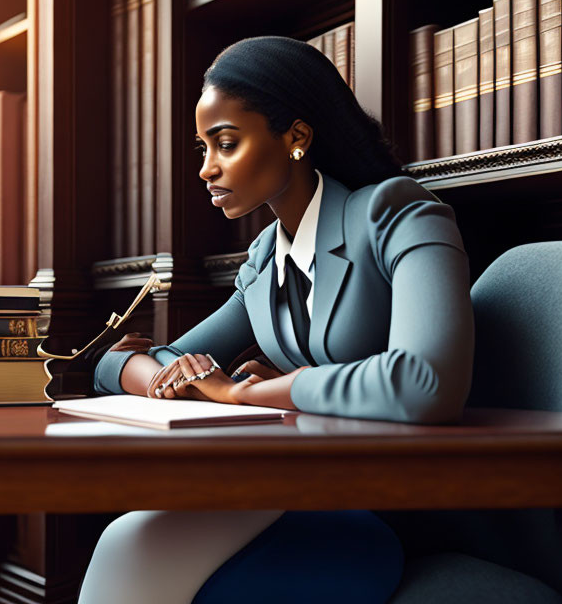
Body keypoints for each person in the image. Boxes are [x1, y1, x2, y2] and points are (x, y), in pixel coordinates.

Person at [79, 37, 474, 603]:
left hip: (387, 505)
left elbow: (425, 382)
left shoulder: (396, 214)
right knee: (129, 540)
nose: (207, 169)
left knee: (140, 552)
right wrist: (175, 376)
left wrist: (248, 397)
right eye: (203, 148)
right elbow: (128, 365)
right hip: (285, 486)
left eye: (226, 143)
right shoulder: (266, 258)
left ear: (296, 137)